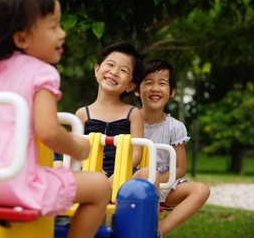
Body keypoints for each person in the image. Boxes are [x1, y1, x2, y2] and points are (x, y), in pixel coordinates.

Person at [0, 0, 111, 237]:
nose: (62, 33)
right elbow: (49, 132)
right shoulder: (42, 73)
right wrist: (79, 147)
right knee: (99, 186)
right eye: (54, 26)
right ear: (22, 38)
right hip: (13, 186)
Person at [134, 59, 210, 237]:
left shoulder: (175, 127)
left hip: (163, 185)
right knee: (144, 174)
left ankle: (157, 233)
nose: (155, 88)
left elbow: (180, 168)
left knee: (201, 190)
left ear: (172, 91)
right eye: (149, 82)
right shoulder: (129, 120)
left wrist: (156, 181)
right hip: (133, 182)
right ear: (136, 89)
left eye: (162, 83)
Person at [75, 41, 159, 190]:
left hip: (122, 175)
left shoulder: (133, 113)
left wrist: (118, 173)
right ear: (96, 69)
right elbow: (76, 151)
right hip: (88, 172)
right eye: (110, 65)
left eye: (123, 70)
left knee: (149, 173)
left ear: (131, 86)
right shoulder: (82, 114)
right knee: (57, 165)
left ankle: (103, 191)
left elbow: (137, 154)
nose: (114, 72)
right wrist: (91, 168)